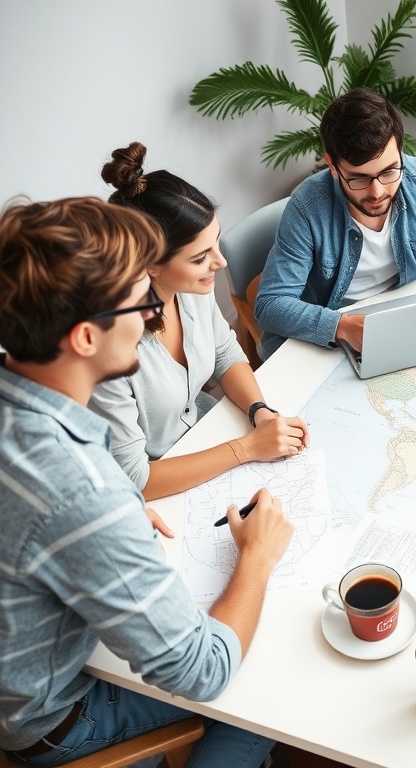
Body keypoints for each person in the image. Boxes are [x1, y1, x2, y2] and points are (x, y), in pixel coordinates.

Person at [0, 197, 294, 766]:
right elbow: (202, 670)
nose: (155, 312)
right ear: (86, 337)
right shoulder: (84, 491)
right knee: (269, 679)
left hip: (23, 670)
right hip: (60, 716)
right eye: (141, 299)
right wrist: (256, 556)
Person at [89, 143, 309, 504]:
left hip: (212, 441)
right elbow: (134, 479)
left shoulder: (190, 289)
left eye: (216, 244)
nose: (220, 263)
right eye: (199, 257)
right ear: (149, 265)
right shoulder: (108, 346)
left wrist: (261, 412)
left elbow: (225, 354)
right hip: (164, 490)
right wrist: (245, 449)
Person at [255, 88, 416, 359]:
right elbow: (271, 305)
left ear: (400, 150)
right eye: (359, 178)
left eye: (389, 171)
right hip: (329, 332)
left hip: (402, 308)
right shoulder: (306, 208)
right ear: (332, 164)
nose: (377, 192)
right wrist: (341, 326)